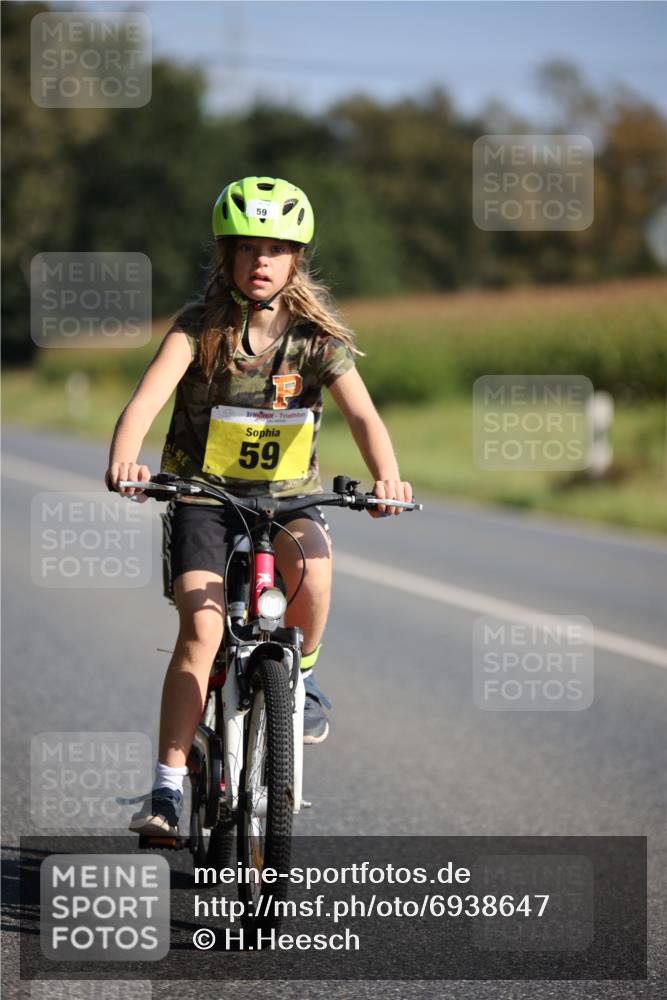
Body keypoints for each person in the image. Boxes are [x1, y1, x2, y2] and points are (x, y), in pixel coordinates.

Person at [105, 176, 412, 836]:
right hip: (202, 498)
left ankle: (297, 681)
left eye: (276, 249)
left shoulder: (316, 340)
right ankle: (165, 789)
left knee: (319, 573)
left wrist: (387, 477)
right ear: (227, 256)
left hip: (287, 501)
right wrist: (126, 459)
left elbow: (362, 416)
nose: (261, 261)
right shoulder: (196, 330)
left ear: (296, 258)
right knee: (203, 628)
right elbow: (144, 403)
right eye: (247, 249)